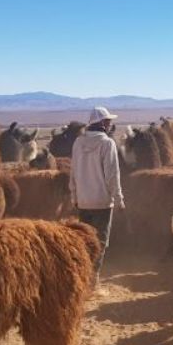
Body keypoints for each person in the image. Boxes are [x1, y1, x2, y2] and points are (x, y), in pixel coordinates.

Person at [70, 106, 125, 281]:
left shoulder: (78, 143)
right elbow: (112, 175)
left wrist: (74, 196)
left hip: (83, 202)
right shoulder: (107, 143)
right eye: (108, 121)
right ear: (101, 123)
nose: (110, 124)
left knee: (85, 241)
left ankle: (84, 277)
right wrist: (118, 199)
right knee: (100, 242)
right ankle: (92, 280)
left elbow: (73, 172)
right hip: (102, 202)